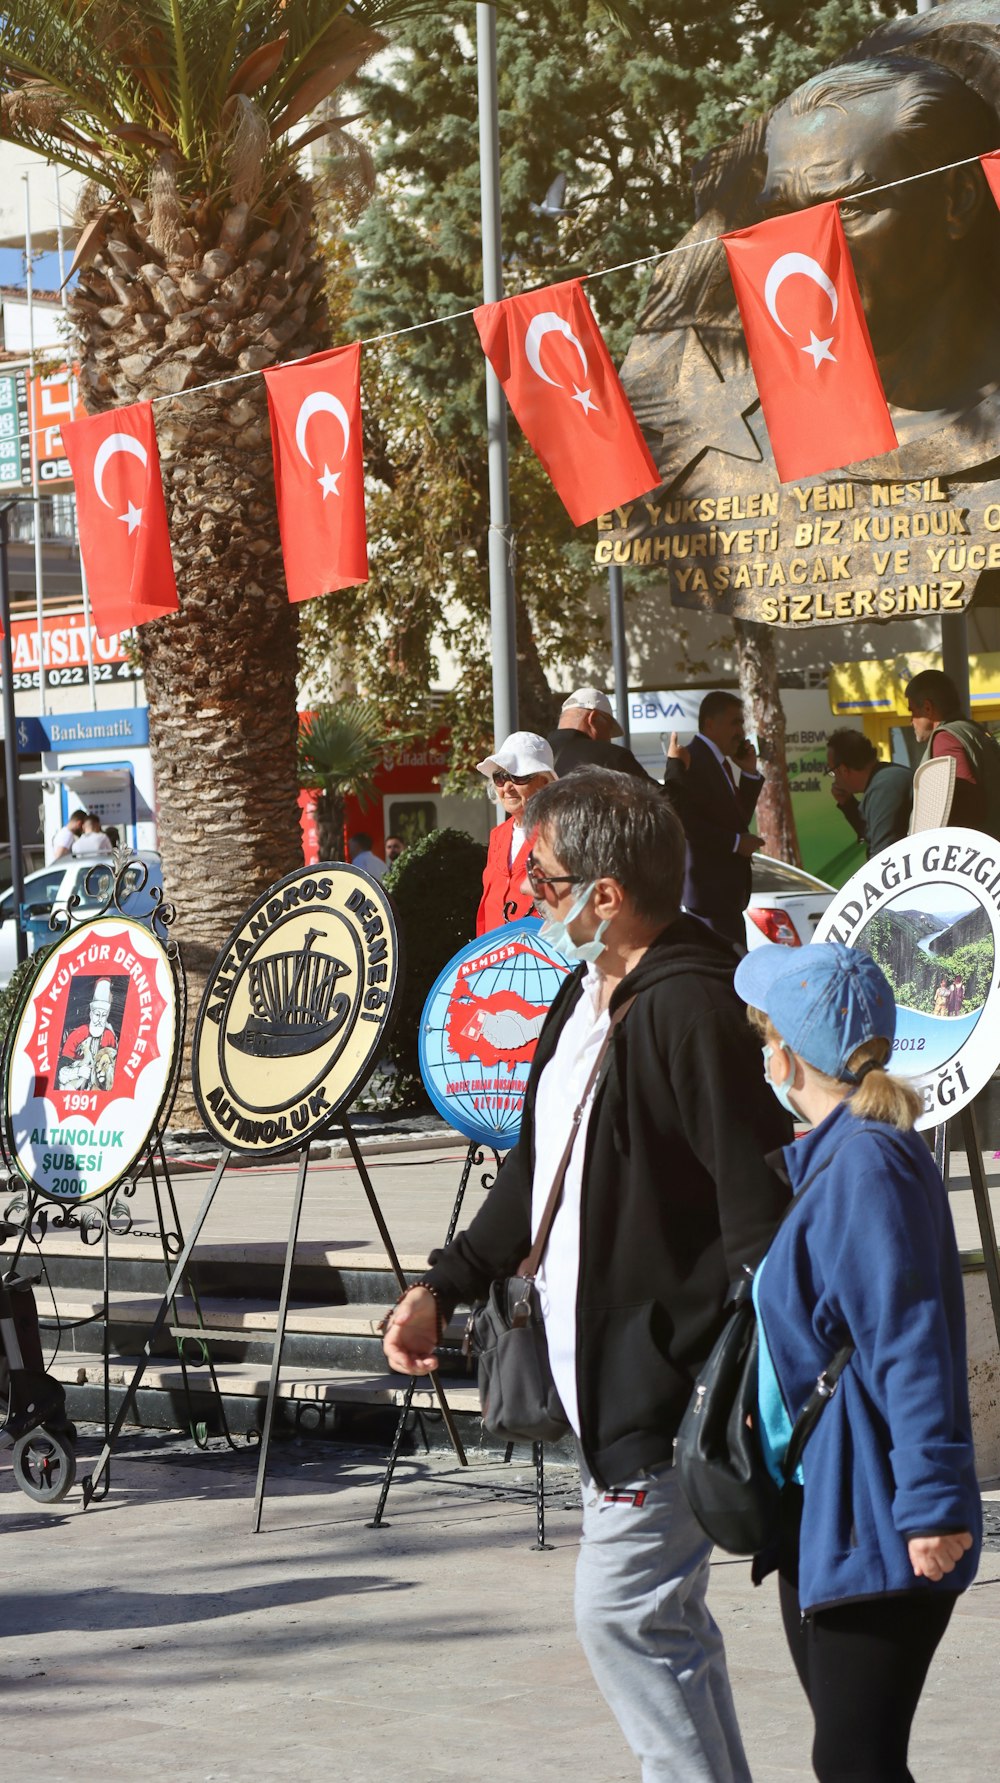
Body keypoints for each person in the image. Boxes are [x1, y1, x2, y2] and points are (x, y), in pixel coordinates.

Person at [383, 768, 792, 1783]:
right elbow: (535, 1168)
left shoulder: (691, 1007)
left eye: (542, 877)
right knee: (661, 1627)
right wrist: (446, 1281)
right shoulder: (586, 990)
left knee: (621, 1616)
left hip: (664, 1386)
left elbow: (756, 1213)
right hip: (602, 1380)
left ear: (603, 895)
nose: (529, 894)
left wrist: (737, 1380)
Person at [733, 941, 980, 1783]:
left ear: (787, 1053)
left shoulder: (866, 1164)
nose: (760, 1055)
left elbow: (908, 1340)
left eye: (762, 1035)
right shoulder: (847, 1155)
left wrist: (934, 1503)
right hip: (837, 1508)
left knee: (854, 1763)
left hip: (881, 1516)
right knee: (854, 1760)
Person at [662, 690, 763, 950]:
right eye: (735, 722)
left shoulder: (721, 764)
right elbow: (683, 820)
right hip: (708, 896)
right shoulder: (692, 759)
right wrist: (734, 843)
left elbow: (736, 820)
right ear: (710, 723)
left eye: (742, 723)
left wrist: (750, 774)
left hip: (727, 897)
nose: (741, 731)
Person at [474, 731, 555, 935]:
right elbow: (488, 904)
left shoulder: (559, 832)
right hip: (495, 957)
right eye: (500, 777)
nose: (507, 787)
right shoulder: (498, 835)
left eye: (519, 777)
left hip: (543, 956)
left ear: (544, 782)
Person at [905, 669, 1000, 839]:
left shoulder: (945, 738)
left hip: (970, 854)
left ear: (927, 707)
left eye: (912, 711)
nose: (910, 720)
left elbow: (961, 805)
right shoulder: (974, 730)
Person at [826, 729, 912, 859]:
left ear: (843, 770)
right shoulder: (884, 778)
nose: (834, 780)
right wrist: (848, 804)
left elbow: (883, 856)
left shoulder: (884, 787)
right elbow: (873, 832)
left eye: (833, 772)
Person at [548, 686, 653, 781]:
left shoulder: (535, 752)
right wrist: (670, 761)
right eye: (609, 728)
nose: (609, 738)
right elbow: (662, 798)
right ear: (593, 719)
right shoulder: (613, 757)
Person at [57, 977, 118, 1092]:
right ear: (91, 1014)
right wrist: (77, 1072)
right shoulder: (78, 1034)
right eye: (97, 1014)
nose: (99, 1019)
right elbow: (61, 1071)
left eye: (103, 1015)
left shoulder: (109, 1036)